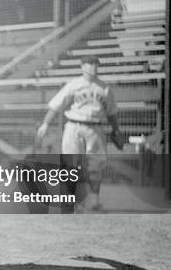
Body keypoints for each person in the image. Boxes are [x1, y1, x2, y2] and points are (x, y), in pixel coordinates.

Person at [36, 55, 121, 211]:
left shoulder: (104, 87)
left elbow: (111, 113)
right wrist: (46, 123)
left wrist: (116, 130)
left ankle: (94, 201)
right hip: (74, 127)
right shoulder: (73, 85)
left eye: (96, 64)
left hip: (95, 128)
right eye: (90, 64)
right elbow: (56, 105)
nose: (93, 67)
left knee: (95, 166)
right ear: (82, 66)